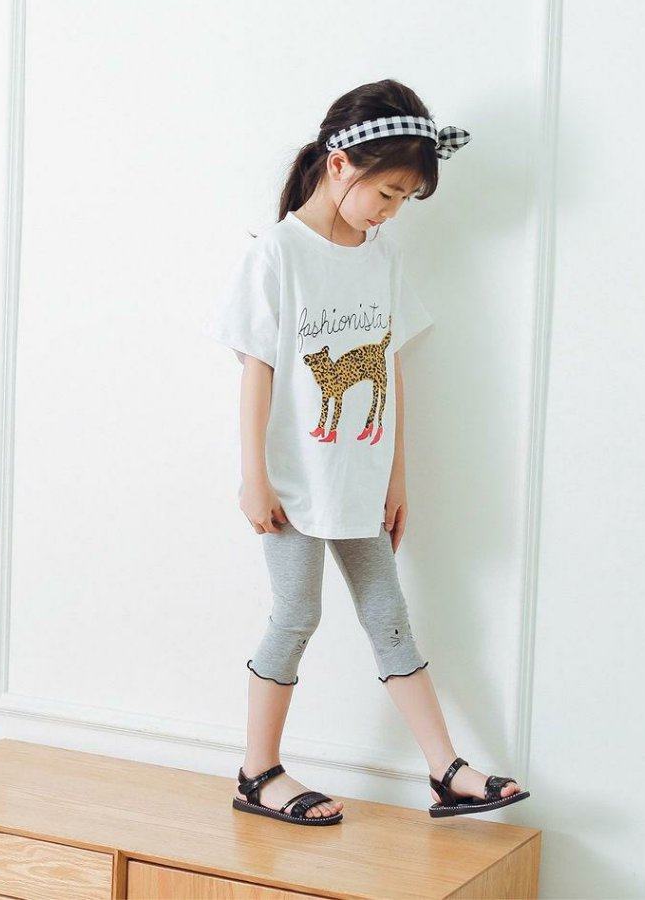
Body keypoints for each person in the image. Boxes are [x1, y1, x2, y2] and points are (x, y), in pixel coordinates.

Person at [202, 78, 530, 826]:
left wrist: (396, 476)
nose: (392, 210)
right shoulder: (278, 254)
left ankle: (445, 769)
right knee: (297, 614)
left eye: (406, 199)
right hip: (293, 480)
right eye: (387, 192)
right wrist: (253, 477)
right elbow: (256, 370)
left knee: (389, 615)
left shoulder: (381, 257)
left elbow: (388, 367)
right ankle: (258, 772)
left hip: (360, 476)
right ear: (339, 164)